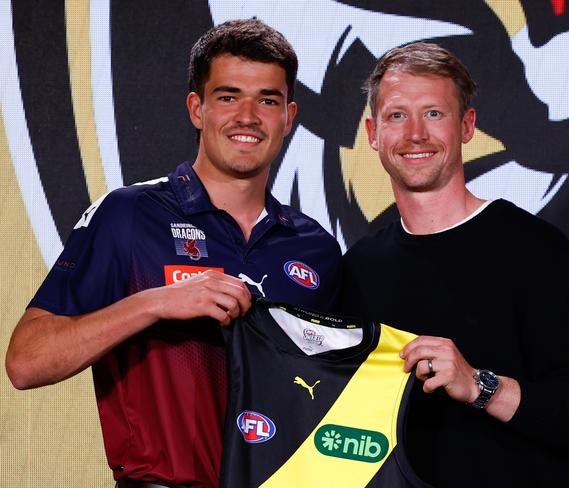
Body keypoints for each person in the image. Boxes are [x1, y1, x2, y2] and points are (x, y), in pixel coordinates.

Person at [5, 19, 341, 487]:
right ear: (196, 109)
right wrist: (157, 302)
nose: (247, 116)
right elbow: (26, 362)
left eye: (267, 100)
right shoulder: (130, 214)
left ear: (288, 116)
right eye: (228, 97)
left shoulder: (318, 248)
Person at [341, 42, 569, 488]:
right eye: (397, 115)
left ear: (467, 126)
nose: (415, 133)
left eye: (434, 113)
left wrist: (480, 385)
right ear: (374, 133)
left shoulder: (535, 251)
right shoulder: (359, 267)